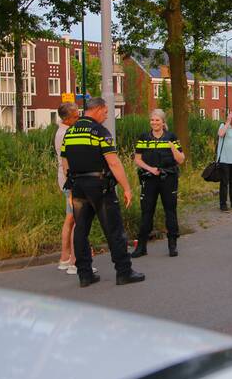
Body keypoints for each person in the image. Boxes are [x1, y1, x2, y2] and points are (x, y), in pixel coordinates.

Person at [60, 98, 145, 287]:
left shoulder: (70, 132)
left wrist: (72, 183)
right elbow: (113, 162)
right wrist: (127, 188)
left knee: (81, 230)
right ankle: (124, 272)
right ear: (97, 110)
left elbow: (64, 161)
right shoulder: (99, 131)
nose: (106, 116)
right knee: (114, 230)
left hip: (78, 186)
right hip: (99, 186)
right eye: (106, 112)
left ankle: (84, 274)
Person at [132, 109, 185, 258]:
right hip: (149, 178)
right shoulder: (144, 137)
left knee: (170, 210)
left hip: (168, 178)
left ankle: (172, 244)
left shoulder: (171, 137)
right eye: (152, 120)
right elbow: (137, 159)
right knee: (147, 211)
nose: (154, 123)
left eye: (157, 120)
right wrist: (151, 169)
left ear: (163, 122)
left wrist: (171, 147)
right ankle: (141, 247)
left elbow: (181, 159)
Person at [54, 102, 83, 275]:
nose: (78, 118)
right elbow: (68, 161)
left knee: (70, 218)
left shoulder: (61, 131)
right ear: (67, 118)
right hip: (70, 180)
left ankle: (64, 258)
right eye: (75, 116)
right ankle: (75, 261)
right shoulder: (66, 134)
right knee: (78, 220)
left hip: (65, 179)